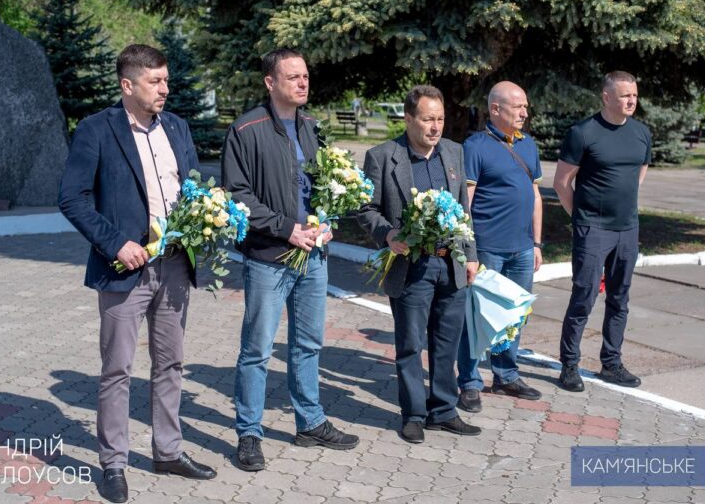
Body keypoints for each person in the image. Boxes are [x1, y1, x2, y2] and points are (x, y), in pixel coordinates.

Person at [58, 44, 216, 503]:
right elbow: (72, 199)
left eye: (166, 80)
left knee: (171, 363)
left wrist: (206, 217)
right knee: (117, 369)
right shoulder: (96, 129)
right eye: (155, 81)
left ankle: (168, 451)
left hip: (176, 265)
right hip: (125, 268)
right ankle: (113, 463)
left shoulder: (177, 127)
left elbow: (193, 188)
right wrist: (115, 243)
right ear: (127, 85)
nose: (165, 89)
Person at [222, 48, 359, 472]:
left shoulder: (313, 127)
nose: (303, 83)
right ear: (270, 82)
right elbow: (237, 195)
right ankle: (249, 433)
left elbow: (328, 185)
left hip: (313, 255)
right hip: (270, 256)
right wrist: (286, 229)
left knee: (308, 344)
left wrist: (328, 222)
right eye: (293, 76)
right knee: (257, 349)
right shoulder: (246, 129)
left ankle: (310, 422)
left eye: (305, 76)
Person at [358, 85, 481, 444]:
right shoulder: (383, 156)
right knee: (411, 344)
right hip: (412, 267)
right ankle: (413, 414)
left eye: (440, 119)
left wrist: (471, 255)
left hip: (451, 263)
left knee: (446, 342)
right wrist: (388, 234)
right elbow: (366, 209)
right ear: (408, 118)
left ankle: (443, 410)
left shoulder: (454, 152)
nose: (435, 126)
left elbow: (464, 209)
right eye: (428, 119)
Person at [553, 71, 651, 392]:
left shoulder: (641, 133)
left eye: (634, 95)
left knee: (620, 298)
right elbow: (562, 183)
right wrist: (582, 219)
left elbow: (639, 172)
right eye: (625, 96)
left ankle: (611, 363)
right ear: (607, 97)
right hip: (593, 230)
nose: (631, 101)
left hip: (627, 229)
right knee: (584, 297)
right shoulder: (583, 133)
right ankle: (569, 365)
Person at [456, 82, 544, 413]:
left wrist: (537, 243)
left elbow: (535, 195)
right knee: (476, 319)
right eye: (518, 107)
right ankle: (469, 382)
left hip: (523, 248)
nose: (524, 112)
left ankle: (506, 375)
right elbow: (466, 201)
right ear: (495, 109)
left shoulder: (528, 145)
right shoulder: (475, 146)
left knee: (512, 315)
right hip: (487, 249)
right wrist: (469, 250)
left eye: (525, 106)